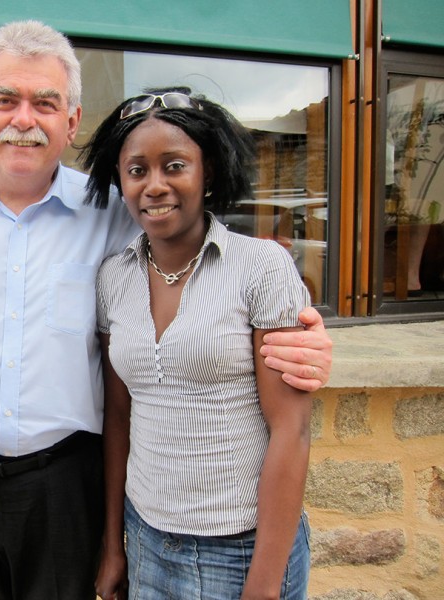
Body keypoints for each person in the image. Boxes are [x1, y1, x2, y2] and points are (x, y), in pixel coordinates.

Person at [0, 21, 331, 600]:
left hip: (65, 486)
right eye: (5, 100)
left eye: (45, 103)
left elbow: (194, 243)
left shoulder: (115, 210)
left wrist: (306, 331)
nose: (24, 119)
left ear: (70, 121)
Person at [81, 87, 314, 600]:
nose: (155, 185)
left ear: (208, 173)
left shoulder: (260, 267)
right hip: (147, 543)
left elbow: (291, 429)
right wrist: (114, 544)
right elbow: (118, 417)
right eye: (137, 170)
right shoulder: (112, 279)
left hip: (244, 550)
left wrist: (265, 582)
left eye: (175, 166)